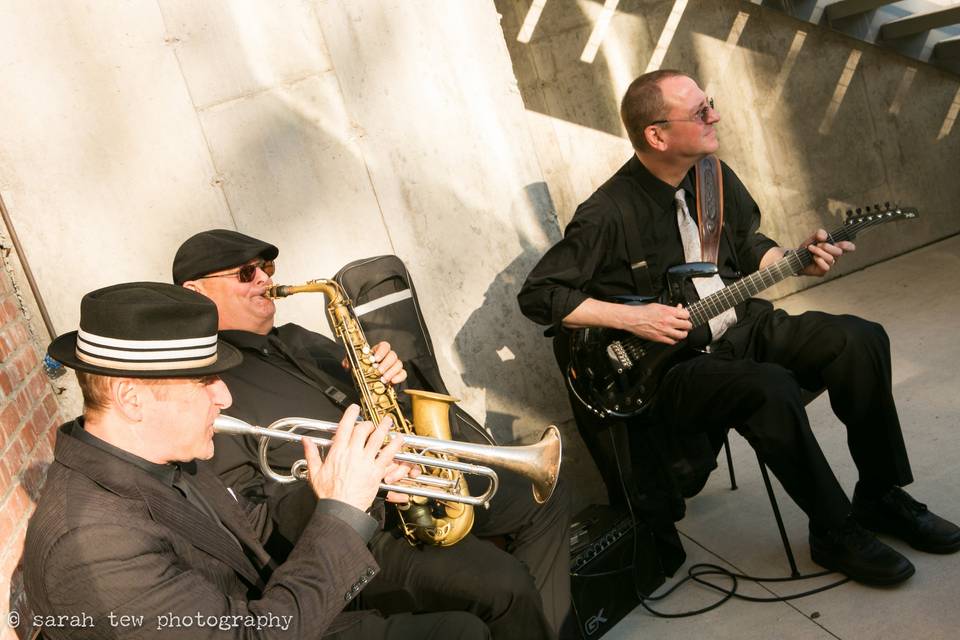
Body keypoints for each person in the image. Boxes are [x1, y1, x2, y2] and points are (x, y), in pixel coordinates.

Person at [518, 69, 960, 586]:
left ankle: (881, 496)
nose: (715, 116)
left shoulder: (712, 175)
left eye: (710, 103)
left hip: (739, 325)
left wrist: (794, 260)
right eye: (700, 112)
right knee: (769, 389)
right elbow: (540, 294)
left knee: (860, 339)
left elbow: (747, 244)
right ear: (656, 136)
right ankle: (834, 530)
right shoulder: (607, 213)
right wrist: (632, 316)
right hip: (673, 368)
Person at [25, 281, 488, 639]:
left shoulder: (158, 458)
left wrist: (353, 488)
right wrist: (342, 514)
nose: (224, 396)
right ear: (132, 399)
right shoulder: (93, 544)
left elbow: (256, 531)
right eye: (204, 381)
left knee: (464, 628)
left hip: (274, 613)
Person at [173, 230, 573, 640]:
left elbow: (385, 406)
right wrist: (350, 490)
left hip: (415, 477)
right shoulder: (207, 388)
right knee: (502, 583)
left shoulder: (299, 339)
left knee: (541, 497)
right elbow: (250, 511)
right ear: (195, 292)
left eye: (267, 267)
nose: (263, 279)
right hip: (358, 533)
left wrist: (390, 379)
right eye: (245, 272)